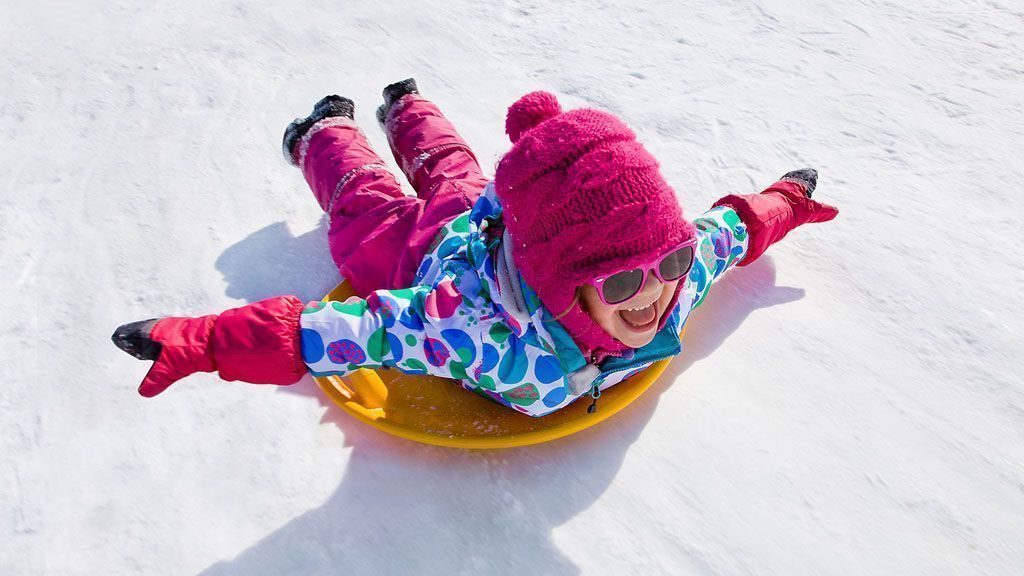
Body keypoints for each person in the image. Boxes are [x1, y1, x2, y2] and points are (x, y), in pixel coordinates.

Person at [112, 79, 838, 417]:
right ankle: (322, 132)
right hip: (419, 254)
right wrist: (210, 340)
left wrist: (787, 201)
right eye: (620, 284)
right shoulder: (476, 332)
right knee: (366, 205)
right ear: (562, 285)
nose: (654, 295)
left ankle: (408, 108)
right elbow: (345, 332)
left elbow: (726, 232)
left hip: (492, 214)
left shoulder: (675, 277)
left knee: (457, 172)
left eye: (670, 263)